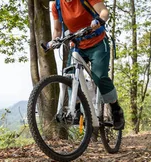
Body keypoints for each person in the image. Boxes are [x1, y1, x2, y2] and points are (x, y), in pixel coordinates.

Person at [49, 0, 124, 130]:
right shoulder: (57, 5)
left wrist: (99, 20)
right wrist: (54, 40)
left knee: (99, 77)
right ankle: (76, 109)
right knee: (70, 76)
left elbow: (104, 11)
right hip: (77, 45)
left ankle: (116, 109)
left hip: (98, 43)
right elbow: (57, 29)